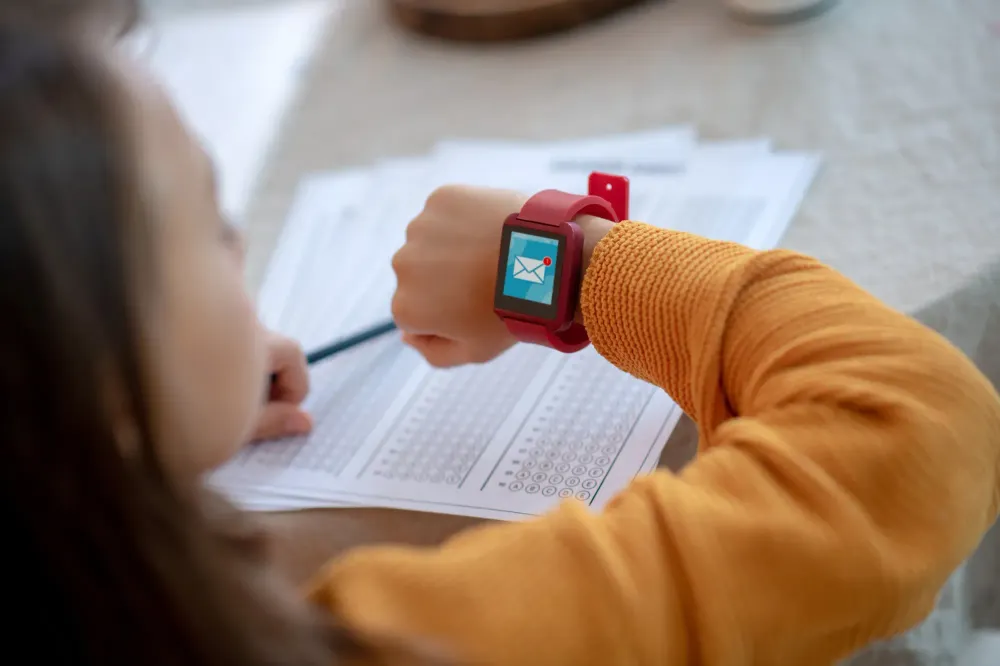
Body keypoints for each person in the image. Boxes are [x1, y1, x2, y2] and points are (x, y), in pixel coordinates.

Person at [2, 9, 998, 666]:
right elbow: (917, 427)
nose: (242, 247)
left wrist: (148, 434)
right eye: (216, 226)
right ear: (103, 386)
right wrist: (564, 265)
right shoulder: (416, 637)